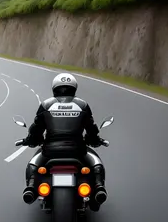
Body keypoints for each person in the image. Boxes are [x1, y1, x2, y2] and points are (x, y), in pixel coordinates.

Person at [21, 72, 107, 211]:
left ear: (54, 88)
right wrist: (95, 140)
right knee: (96, 163)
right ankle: (98, 188)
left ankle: (31, 189)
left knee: (33, 164)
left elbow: (36, 130)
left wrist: (30, 140)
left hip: (50, 152)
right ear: (74, 88)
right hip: (78, 151)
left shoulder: (46, 105)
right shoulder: (82, 105)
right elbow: (92, 129)